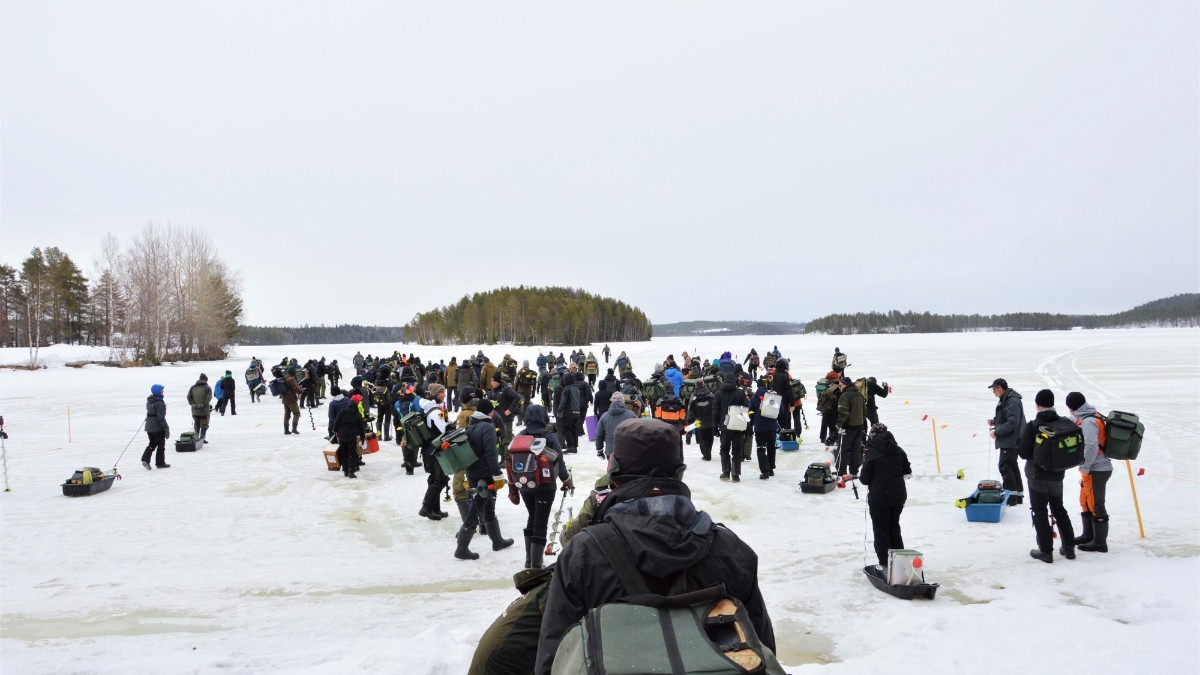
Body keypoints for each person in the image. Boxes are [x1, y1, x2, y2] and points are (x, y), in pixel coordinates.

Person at [534, 419, 776, 673]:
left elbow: (555, 653)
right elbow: (762, 651)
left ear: (614, 474)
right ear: (679, 472)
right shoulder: (732, 550)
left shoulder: (583, 552)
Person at [506, 404, 574, 569]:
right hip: (546, 485)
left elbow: (510, 463)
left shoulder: (520, 436)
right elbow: (559, 461)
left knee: (532, 517)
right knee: (541, 522)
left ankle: (529, 560)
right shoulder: (549, 436)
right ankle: (536, 564)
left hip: (525, 485)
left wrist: (513, 488)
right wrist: (566, 479)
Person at [1019, 389, 1076, 563]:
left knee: (1040, 511)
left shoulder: (1033, 426)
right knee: (1059, 509)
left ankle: (1045, 551)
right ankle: (1069, 548)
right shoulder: (1064, 423)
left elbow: (1023, 453)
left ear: (1038, 405)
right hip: (1057, 475)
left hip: (1037, 475)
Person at [455, 399, 515, 560]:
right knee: (477, 506)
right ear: (490, 412)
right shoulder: (487, 427)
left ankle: (497, 541)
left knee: (487, 505)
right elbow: (490, 452)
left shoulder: (471, 425)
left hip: (473, 472)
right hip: (484, 473)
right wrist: (496, 474)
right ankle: (462, 547)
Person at [858, 422, 912, 569]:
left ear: (872, 435)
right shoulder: (898, 450)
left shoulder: (871, 452)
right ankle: (900, 563)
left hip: (879, 496)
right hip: (898, 496)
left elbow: (864, 479)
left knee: (881, 530)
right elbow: (907, 472)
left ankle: (886, 564)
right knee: (894, 527)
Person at [1066, 391, 1113, 553]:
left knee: (1096, 504)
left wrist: (1084, 467)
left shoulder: (1089, 421)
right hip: (1093, 468)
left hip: (1097, 469)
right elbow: (1072, 421)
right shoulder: (1088, 415)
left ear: (1073, 407)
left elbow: (1092, 446)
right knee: (1085, 501)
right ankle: (1088, 535)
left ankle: (1100, 542)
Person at [989, 378, 1026, 506]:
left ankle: (1010, 498)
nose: (993, 392)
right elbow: (1008, 417)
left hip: (1011, 440)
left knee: (1005, 466)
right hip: (1011, 440)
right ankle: (1017, 496)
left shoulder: (1012, 401)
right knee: (1011, 465)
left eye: (994, 389)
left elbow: (1013, 422)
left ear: (1000, 388)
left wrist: (997, 431)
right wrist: (995, 421)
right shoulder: (1008, 399)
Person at [418, 384, 452, 521]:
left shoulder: (432, 408)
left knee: (435, 477)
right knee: (441, 478)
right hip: (435, 449)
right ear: (435, 394)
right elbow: (444, 429)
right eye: (442, 392)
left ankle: (434, 509)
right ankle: (426, 507)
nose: (444, 394)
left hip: (429, 449)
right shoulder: (435, 411)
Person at [713, 372, 749, 482]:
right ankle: (735, 475)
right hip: (738, 425)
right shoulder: (741, 393)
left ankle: (725, 472)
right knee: (737, 450)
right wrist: (747, 426)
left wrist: (715, 428)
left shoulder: (718, 394)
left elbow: (715, 412)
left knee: (724, 449)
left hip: (725, 426)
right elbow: (745, 410)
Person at [748, 380, 779, 480]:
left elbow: (750, 412)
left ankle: (765, 471)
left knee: (761, 449)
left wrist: (752, 423)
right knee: (771, 448)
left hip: (760, 428)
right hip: (772, 427)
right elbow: (781, 410)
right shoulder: (772, 397)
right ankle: (771, 469)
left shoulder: (754, 398)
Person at [835, 376, 865, 478]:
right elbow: (864, 411)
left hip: (848, 427)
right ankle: (854, 471)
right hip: (858, 426)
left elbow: (843, 413)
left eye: (840, 385)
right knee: (855, 449)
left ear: (845, 385)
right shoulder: (859, 394)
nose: (839, 387)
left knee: (842, 449)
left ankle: (841, 471)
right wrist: (861, 421)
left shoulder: (845, 396)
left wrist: (839, 425)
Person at [332, 393, 367, 478]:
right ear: (357, 403)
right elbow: (361, 427)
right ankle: (351, 471)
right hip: (351, 436)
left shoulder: (343, 411)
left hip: (342, 435)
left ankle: (345, 471)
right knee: (351, 453)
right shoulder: (357, 414)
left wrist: (335, 430)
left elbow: (336, 421)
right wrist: (362, 437)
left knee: (343, 453)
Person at [595, 391, 637, 459]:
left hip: (611, 452)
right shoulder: (631, 415)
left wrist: (599, 450)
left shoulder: (604, 416)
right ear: (623, 401)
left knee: (612, 469)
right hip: (628, 452)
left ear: (612, 401)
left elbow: (599, 434)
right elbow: (638, 433)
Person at [141, 384, 170, 470]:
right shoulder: (159, 403)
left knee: (152, 443)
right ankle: (160, 463)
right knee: (161, 445)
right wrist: (166, 428)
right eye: (161, 390)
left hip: (149, 427)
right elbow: (161, 417)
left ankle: (145, 459)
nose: (163, 392)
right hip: (157, 427)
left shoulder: (149, 401)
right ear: (158, 392)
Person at [685, 382, 716, 461]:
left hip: (699, 420)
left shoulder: (694, 396)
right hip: (710, 420)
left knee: (702, 438)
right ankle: (708, 451)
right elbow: (716, 406)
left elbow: (690, 409)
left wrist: (689, 420)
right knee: (710, 437)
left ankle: (706, 455)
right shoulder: (710, 394)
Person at [186, 374, 213, 445]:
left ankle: (196, 438)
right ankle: (202, 438)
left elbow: (189, 397)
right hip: (204, 410)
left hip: (195, 410)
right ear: (206, 380)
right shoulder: (207, 387)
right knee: (204, 425)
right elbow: (209, 397)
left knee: (197, 424)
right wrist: (203, 404)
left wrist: (192, 404)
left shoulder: (193, 387)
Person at [282, 366, 304, 435]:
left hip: (285, 399)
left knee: (287, 414)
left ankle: (286, 430)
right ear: (293, 373)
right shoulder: (291, 379)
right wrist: (301, 391)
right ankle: (294, 429)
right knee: (296, 413)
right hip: (291, 399)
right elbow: (296, 388)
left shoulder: (285, 378)